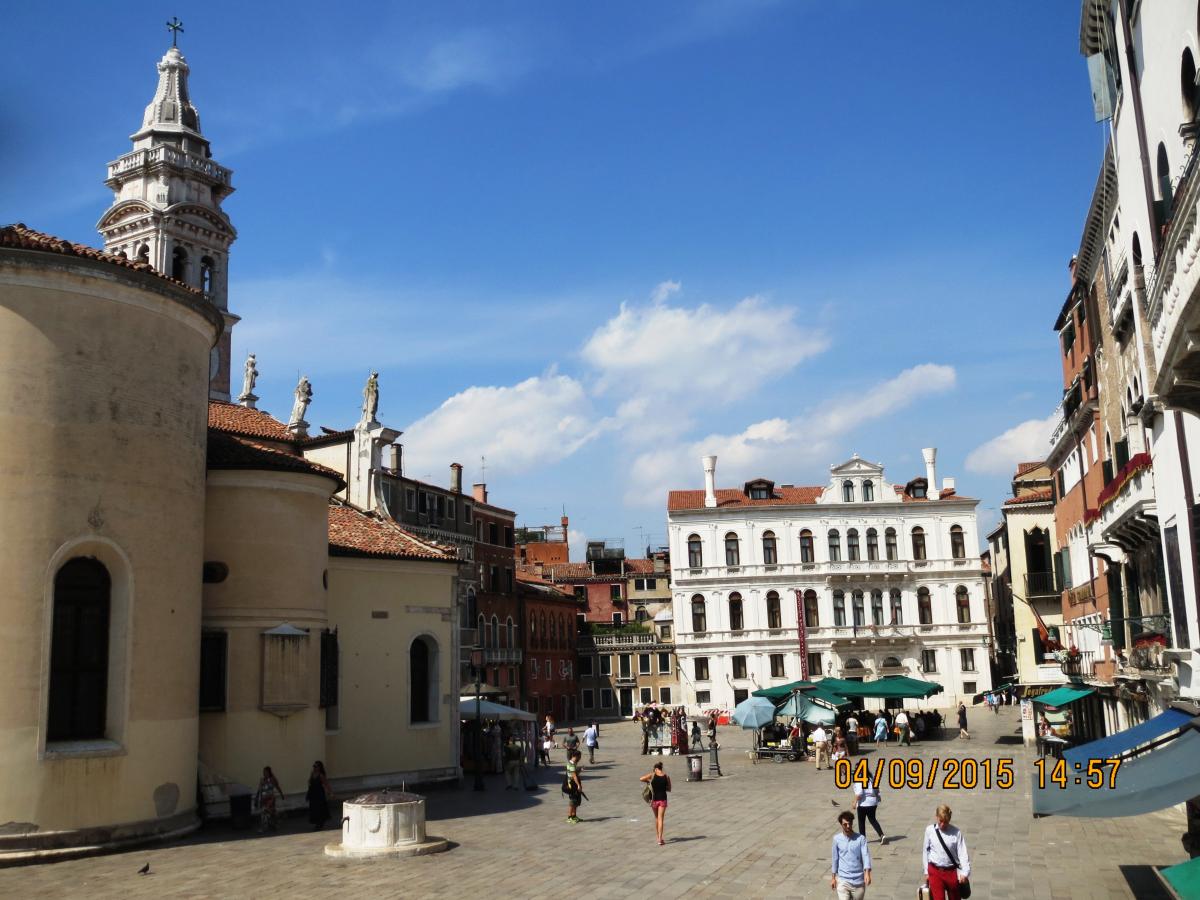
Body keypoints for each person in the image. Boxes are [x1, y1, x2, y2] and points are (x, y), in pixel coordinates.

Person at [922, 804, 970, 900]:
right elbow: (926, 852)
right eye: (940, 821)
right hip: (935, 871)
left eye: (946, 822)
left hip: (951, 872)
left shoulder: (956, 833)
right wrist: (926, 871)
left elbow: (962, 853)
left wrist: (965, 872)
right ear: (936, 817)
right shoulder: (929, 830)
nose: (943, 824)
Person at [831, 810, 872, 899]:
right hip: (843, 880)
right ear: (841, 824)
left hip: (858, 881)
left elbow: (866, 856)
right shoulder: (837, 839)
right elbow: (835, 859)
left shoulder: (861, 839)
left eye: (849, 823)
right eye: (845, 824)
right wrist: (833, 878)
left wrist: (867, 873)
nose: (848, 826)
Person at [639, 761, 672, 846]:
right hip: (663, 800)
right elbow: (669, 789)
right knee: (661, 819)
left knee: (657, 818)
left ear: (656, 769)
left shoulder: (652, 775)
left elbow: (641, 778)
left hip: (654, 800)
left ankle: (658, 837)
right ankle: (660, 839)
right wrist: (663, 786)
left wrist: (649, 781)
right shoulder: (666, 776)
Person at [852, 777, 885, 844]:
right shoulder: (870, 778)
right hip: (873, 802)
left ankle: (863, 839)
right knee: (873, 820)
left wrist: (854, 802)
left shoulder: (859, 779)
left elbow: (859, 793)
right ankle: (881, 835)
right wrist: (878, 798)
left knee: (861, 822)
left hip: (863, 803)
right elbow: (876, 788)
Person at [254, 766, 284, 833]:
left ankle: (274, 824)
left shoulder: (272, 779)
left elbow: (277, 787)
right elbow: (259, 789)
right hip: (263, 799)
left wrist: (281, 794)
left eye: (266, 772)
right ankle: (264, 827)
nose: (264, 773)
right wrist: (257, 798)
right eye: (263, 772)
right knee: (264, 813)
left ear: (269, 772)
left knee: (270, 812)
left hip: (271, 799)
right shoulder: (262, 780)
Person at [306, 760, 332, 830]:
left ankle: (320, 823)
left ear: (319, 767)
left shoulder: (321, 775)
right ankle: (317, 822)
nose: (314, 768)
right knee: (314, 808)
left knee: (320, 808)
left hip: (319, 794)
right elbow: (309, 781)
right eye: (314, 766)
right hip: (313, 793)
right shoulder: (312, 774)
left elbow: (326, 784)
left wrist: (330, 793)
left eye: (316, 766)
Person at [563, 749, 583, 824]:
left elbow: (574, 774)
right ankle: (569, 817)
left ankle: (574, 816)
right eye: (580, 757)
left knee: (575, 801)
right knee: (573, 801)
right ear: (576, 756)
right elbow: (574, 776)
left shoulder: (572, 763)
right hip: (572, 785)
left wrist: (579, 770)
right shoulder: (571, 765)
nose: (580, 758)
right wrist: (578, 785)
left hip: (573, 784)